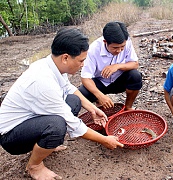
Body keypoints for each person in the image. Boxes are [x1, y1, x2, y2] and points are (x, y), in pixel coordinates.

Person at [0, 28, 123, 180]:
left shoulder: (52, 64)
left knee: (74, 100)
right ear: (65, 58)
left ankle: (47, 144)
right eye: (81, 60)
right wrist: (104, 140)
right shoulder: (43, 81)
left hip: (30, 120)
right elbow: (73, 123)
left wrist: (92, 108)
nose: (83, 65)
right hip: (11, 136)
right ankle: (34, 166)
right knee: (57, 125)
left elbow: (68, 88)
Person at [78, 21, 142, 111]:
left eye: (122, 47)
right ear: (105, 42)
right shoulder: (93, 50)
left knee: (135, 76)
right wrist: (100, 96)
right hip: (100, 83)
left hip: (118, 80)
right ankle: (98, 103)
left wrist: (117, 66)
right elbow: (85, 78)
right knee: (81, 95)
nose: (119, 50)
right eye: (115, 48)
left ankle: (128, 107)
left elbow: (135, 63)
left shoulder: (127, 42)